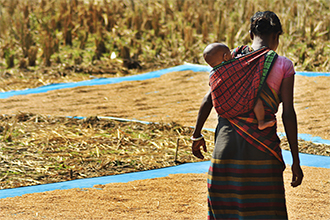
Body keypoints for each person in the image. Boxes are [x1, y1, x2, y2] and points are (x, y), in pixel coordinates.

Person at [191, 11, 303, 220]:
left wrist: (196, 134)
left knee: (226, 211)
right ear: (277, 36)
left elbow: (208, 99)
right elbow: (288, 114)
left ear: (251, 34)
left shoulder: (231, 58)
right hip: (262, 151)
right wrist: (296, 160)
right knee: (265, 212)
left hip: (225, 149)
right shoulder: (284, 65)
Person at [203, 42, 276, 130]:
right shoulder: (234, 66)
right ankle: (261, 122)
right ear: (225, 57)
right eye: (230, 53)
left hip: (223, 110)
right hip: (240, 104)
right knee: (256, 99)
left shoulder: (213, 75)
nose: (232, 54)